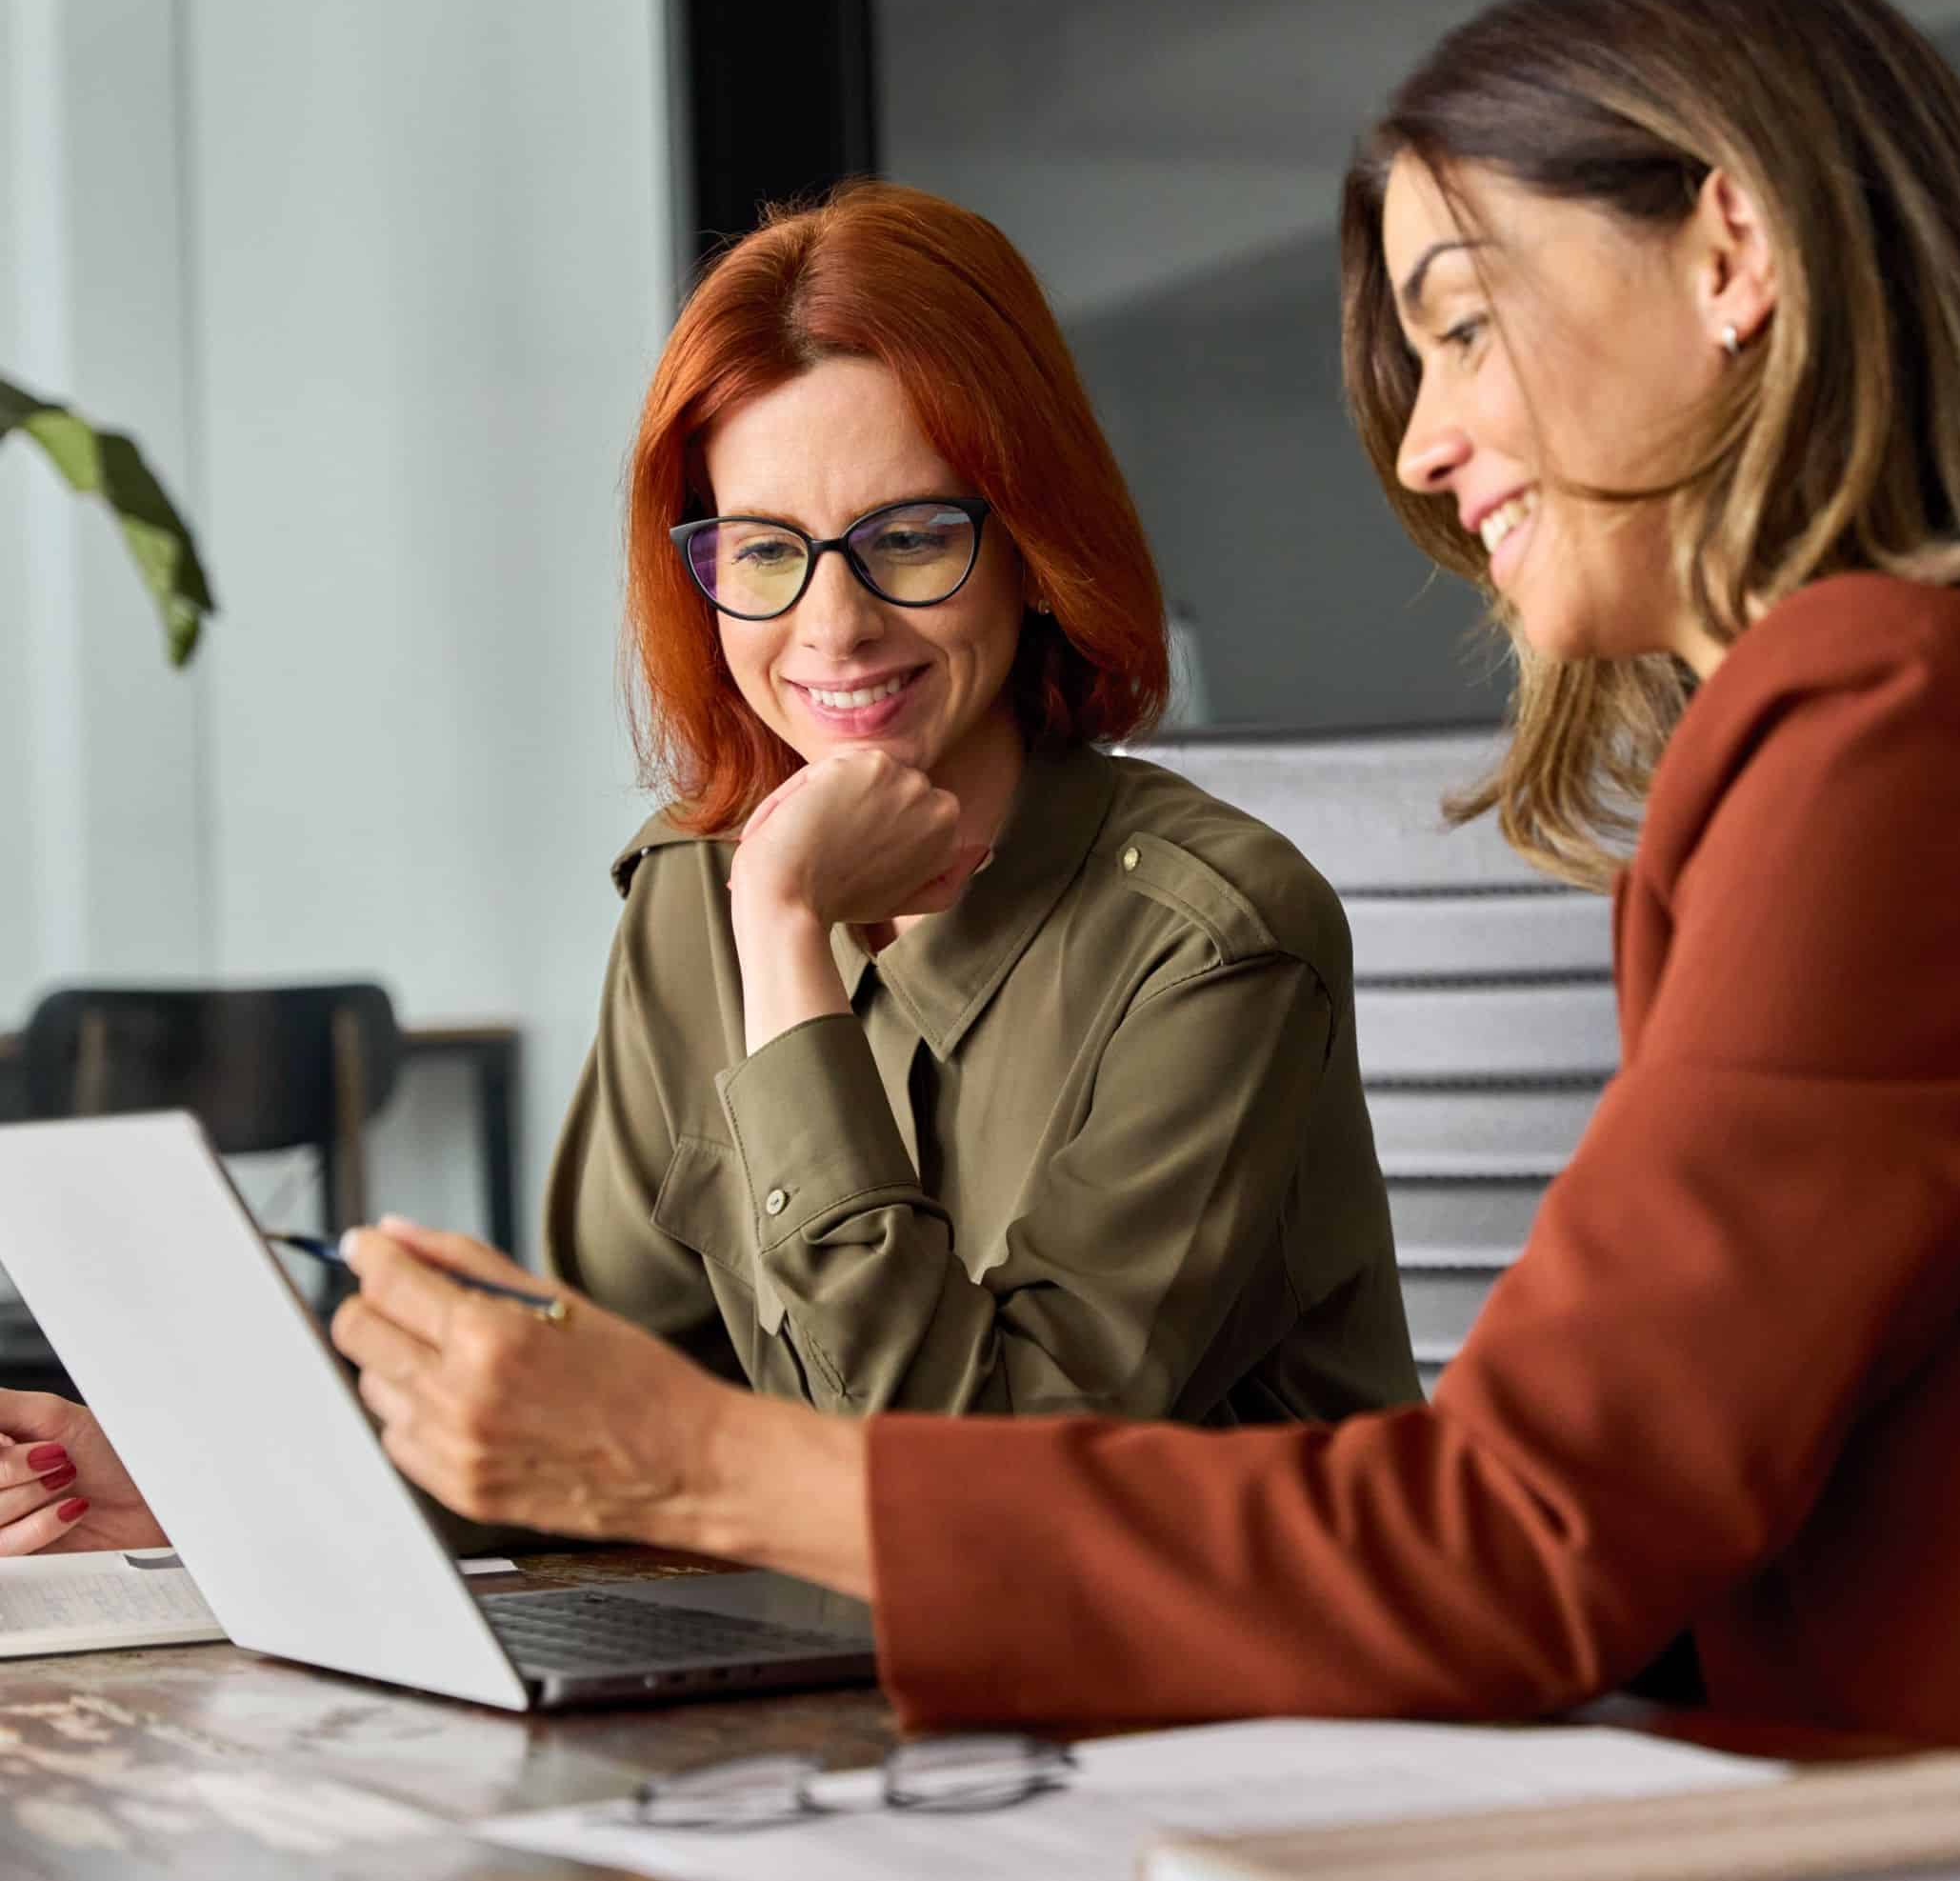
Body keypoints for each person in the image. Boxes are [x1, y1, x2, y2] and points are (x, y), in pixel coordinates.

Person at [322, 0, 1960, 1766]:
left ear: (1732, 253)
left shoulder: (1910, 718)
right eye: (760, 549)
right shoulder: (1889, 724)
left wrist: (693, 1459)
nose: (1419, 444)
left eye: (1462, 322)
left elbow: (1526, 1537)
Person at [0, 182, 1418, 1558]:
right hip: (814, 1691)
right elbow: (605, 1401)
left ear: (1031, 550)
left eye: (910, 537)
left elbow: (956, 1488)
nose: (834, 624)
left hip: (1194, 1705)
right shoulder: (694, 890)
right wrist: (214, 1477)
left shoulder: (1212, 937)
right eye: (764, 550)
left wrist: (786, 934)